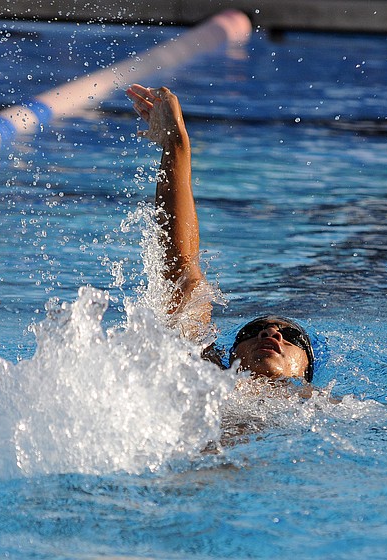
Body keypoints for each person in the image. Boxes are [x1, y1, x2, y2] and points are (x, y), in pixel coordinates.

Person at [125, 84, 316, 384]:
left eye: (290, 336)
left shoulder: (327, 408)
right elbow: (183, 274)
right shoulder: (206, 381)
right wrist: (175, 145)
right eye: (252, 333)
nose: (270, 333)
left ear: (307, 371)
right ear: (230, 356)